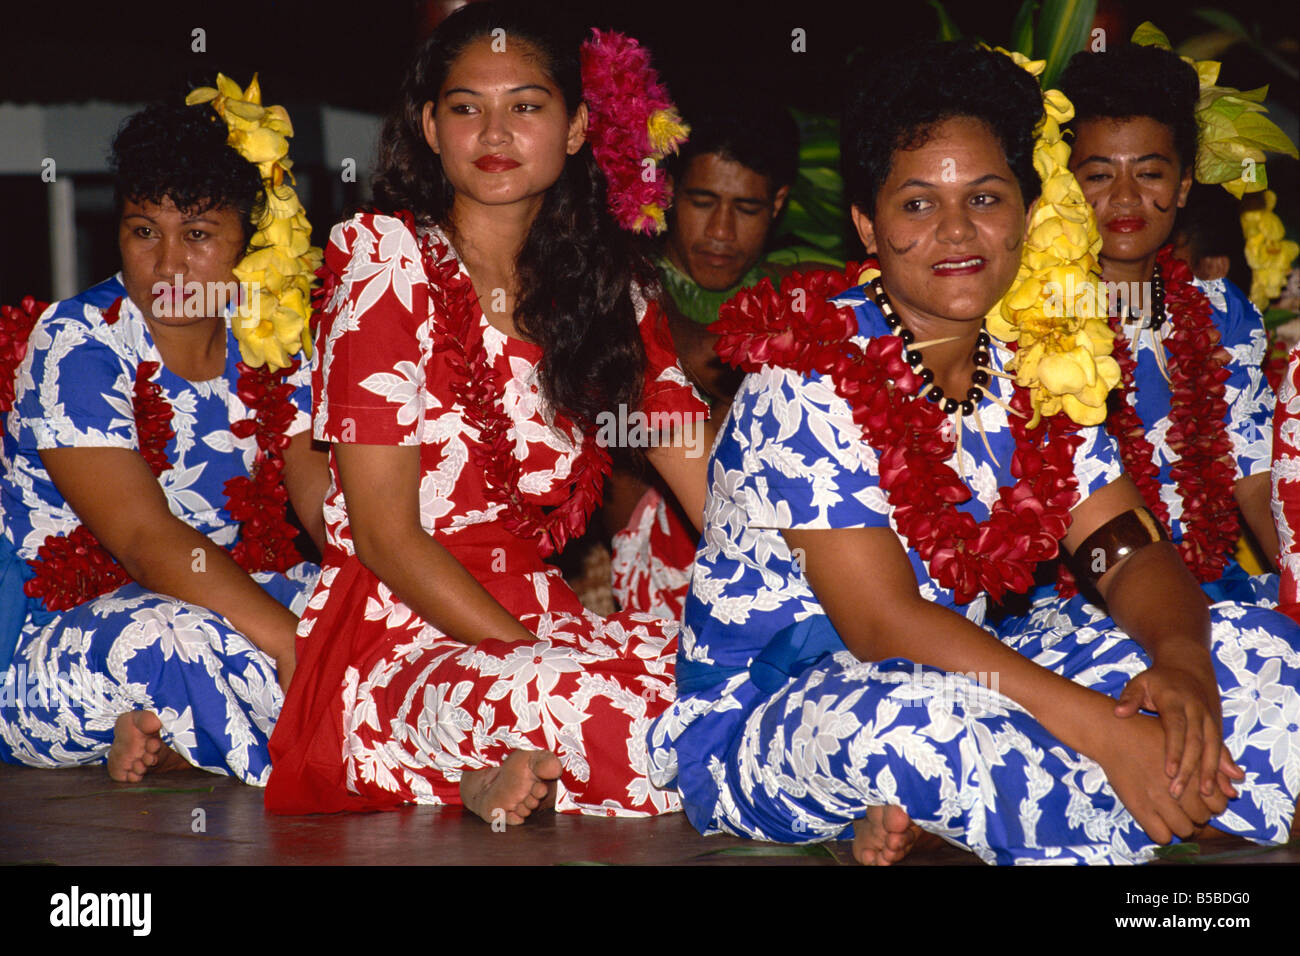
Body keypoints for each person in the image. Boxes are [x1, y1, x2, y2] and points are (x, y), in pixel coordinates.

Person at [644, 41, 1300, 865]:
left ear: (1026, 214)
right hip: (795, 704)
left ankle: (1114, 795)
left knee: (1252, 643)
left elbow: (1123, 548)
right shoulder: (803, 376)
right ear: (867, 226)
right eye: (918, 205)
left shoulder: (1036, 356)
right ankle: (1161, 801)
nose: (957, 231)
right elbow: (882, 623)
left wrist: (1183, 667)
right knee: (927, 721)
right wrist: (1100, 726)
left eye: (985, 197)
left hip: (978, 665)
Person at [265, 2, 709, 823]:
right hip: (399, 631)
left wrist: (811, 586)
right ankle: (461, 760)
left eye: (527, 107)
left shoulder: (615, 288)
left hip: (542, 615)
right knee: (608, 711)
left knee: (708, 690)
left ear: (576, 128)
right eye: (466, 108)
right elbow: (386, 538)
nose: (494, 132)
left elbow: (695, 460)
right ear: (431, 129)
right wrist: (531, 654)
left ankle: (487, 765)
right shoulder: (385, 265)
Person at [0, 95, 328, 786]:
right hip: (58, 651)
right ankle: (360, 775)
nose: (169, 263)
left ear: (252, 237)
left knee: (340, 609)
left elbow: (325, 505)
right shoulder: (77, 342)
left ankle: (174, 737)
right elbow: (147, 543)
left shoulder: (272, 338)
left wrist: (366, 596)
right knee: (176, 637)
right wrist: (288, 641)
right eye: (144, 231)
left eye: (199, 234)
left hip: (226, 605)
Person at [607, 99, 801, 620]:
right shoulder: (619, 282)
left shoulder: (797, 287)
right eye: (701, 201)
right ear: (667, 195)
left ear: (778, 203)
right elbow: (693, 362)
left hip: (781, 537)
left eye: (746, 208)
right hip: (657, 547)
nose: (720, 231)